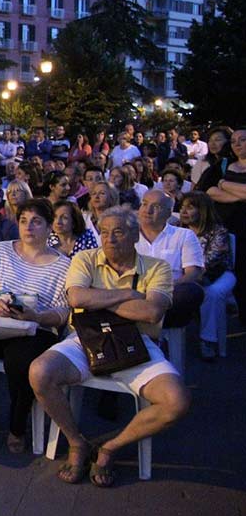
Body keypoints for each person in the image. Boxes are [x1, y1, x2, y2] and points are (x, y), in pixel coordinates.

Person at [29, 206, 189, 487]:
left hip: (138, 343)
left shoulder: (157, 267)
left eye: (118, 232)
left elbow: (152, 313)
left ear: (135, 235)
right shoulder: (85, 259)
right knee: (40, 372)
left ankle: (110, 447)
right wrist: (127, 295)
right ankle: (76, 442)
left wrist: (98, 300)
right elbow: (77, 298)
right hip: (86, 338)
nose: (109, 239)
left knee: (176, 401)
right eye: (104, 232)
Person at [0, 199, 72, 455]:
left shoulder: (63, 265)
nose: (28, 227)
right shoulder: (1, 250)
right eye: (24, 220)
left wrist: (36, 316)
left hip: (33, 328)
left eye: (37, 221)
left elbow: (63, 312)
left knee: (21, 361)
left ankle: (17, 427)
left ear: (50, 227)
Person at [136, 190, 205, 332]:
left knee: (191, 291)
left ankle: (147, 326)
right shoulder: (127, 235)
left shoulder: (183, 235)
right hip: (134, 292)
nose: (148, 210)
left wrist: (159, 290)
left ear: (168, 213)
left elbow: (193, 274)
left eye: (156, 207)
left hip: (170, 293)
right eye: (144, 204)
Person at [178, 192, 235, 360]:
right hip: (190, 275)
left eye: (190, 207)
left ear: (202, 210)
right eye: (182, 207)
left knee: (212, 293)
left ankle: (208, 340)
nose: (184, 211)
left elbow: (211, 260)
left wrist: (191, 274)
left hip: (219, 274)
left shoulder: (218, 232)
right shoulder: (178, 231)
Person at [205, 128, 246, 321]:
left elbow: (218, 187)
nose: (237, 144)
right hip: (229, 228)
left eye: (242, 140)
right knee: (237, 273)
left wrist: (225, 185)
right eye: (234, 141)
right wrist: (239, 197)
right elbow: (209, 190)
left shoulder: (225, 177)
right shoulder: (225, 165)